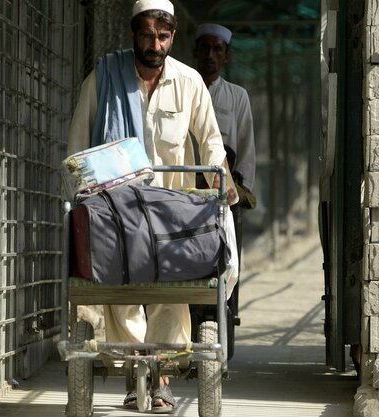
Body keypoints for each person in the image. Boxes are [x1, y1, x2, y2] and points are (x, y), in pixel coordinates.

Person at [67, 0, 236, 413]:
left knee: (170, 292)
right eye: (146, 35)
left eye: (162, 37)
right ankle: (134, 370)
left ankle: (159, 374)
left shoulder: (189, 81)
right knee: (121, 290)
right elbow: (77, 144)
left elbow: (211, 141)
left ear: (173, 37)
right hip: (118, 212)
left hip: (169, 216)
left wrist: (221, 178)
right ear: (133, 35)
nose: (154, 45)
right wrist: (79, 196)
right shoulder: (104, 78)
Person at [193, 23, 257, 346]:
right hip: (189, 189)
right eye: (204, 48)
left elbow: (245, 147)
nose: (210, 55)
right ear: (195, 52)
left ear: (226, 56)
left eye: (217, 49)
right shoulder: (186, 88)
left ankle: (224, 328)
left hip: (225, 192)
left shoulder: (237, 97)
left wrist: (241, 192)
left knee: (227, 260)